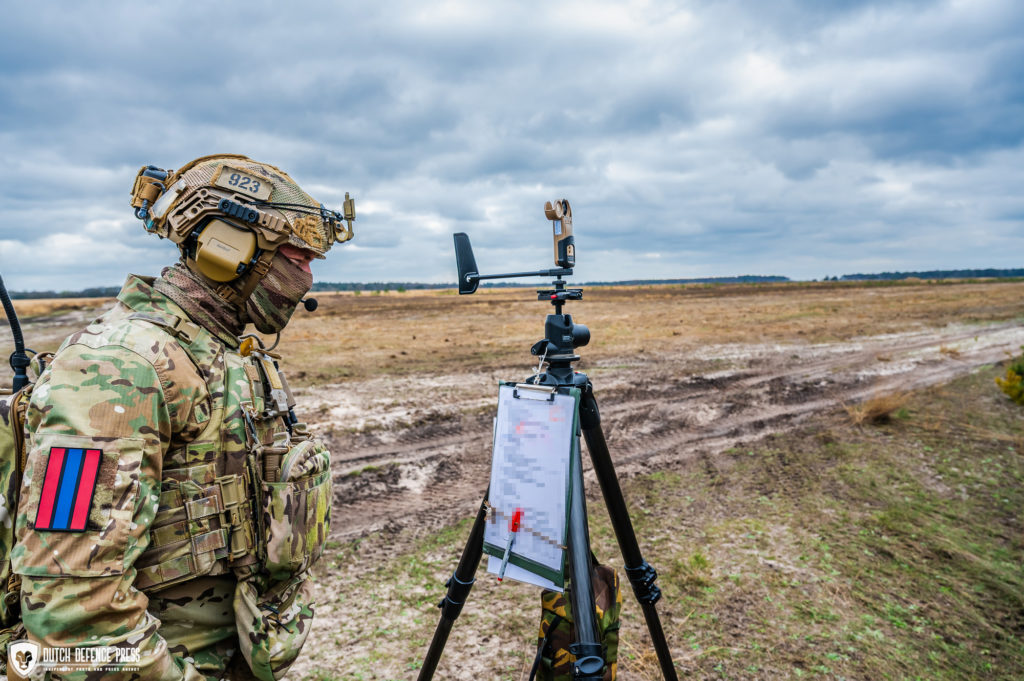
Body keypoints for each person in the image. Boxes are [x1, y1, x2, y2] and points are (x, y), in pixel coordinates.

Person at [11, 154, 355, 680]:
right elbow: (72, 607)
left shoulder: (228, 355)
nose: (306, 276)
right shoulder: (119, 369)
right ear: (228, 249)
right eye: (296, 255)